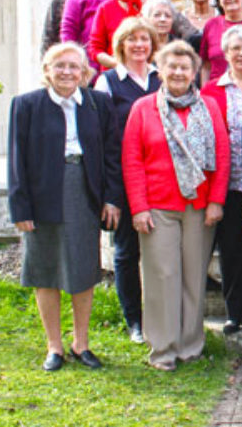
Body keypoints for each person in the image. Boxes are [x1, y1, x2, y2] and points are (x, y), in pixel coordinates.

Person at [8, 42, 122, 371]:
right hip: (42, 193)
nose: (67, 72)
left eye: (74, 66)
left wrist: (112, 197)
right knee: (45, 269)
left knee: (83, 269)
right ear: (47, 70)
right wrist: (21, 209)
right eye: (60, 66)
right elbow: (16, 160)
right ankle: (54, 346)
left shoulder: (98, 103)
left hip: (83, 191)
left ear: (85, 72)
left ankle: (81, 343)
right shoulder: (26, 104)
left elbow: (112, 153)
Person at [122, 40, 230, 371]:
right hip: (158, 206)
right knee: (162, 275)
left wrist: (216, 200)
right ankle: (163, 349)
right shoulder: (143, 108)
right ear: (161, 70)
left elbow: (223, 156)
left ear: (195, 71)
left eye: (185, 67)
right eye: (172, 66)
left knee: (193, 277)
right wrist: (138, 207)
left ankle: (190, 344)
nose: (179, 72)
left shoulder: (208, 106)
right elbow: (132, 160)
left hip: (200, 207)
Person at [93, 17, 161, 344]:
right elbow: (102, 138)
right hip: (122, 177)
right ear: (120, 44)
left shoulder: (162, 79)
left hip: (161, 179)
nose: (139, 45)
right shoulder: (108, 83)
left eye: (144, 39)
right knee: (126, 251)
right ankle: (134, 319)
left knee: (161, 251)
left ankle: (161, 317)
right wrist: (110, 193)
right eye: (132, 40)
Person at [201, 25, 242, 335]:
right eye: (235, 48)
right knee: (231, 251)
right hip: (225, 185)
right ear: (225, 54)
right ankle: (234, 313)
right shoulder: (211, 91)